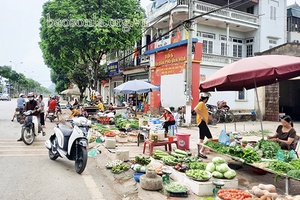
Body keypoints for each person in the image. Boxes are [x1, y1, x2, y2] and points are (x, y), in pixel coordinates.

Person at [194, 92, 213, 159]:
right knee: (210, 138)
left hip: (202, 122)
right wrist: (202, 116)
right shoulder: (201, 103)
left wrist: (207, 117)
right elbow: (196, 109)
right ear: (206, 98)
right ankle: (202, 151)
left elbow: (202, 112)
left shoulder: (203, 104)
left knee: (201, 138)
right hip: (202, 122)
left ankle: (200, 152)